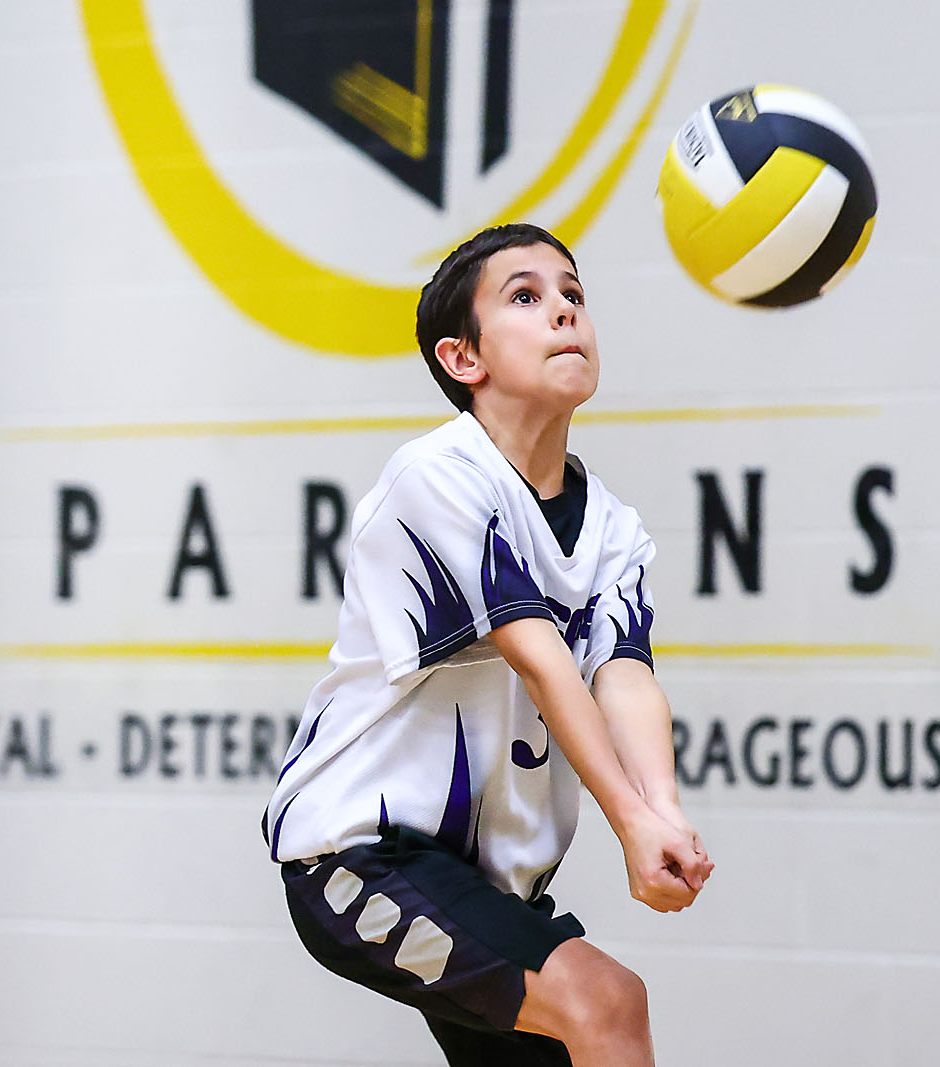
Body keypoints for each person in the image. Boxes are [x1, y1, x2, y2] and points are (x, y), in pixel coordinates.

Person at [263, 223, 713, 1066]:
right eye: (527, 296)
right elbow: (539, 654)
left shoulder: (613, 526)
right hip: (359, 854)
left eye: (574, 294)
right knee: (609, 1002)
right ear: (463, 359)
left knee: (590, 1025)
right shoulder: (436, 477)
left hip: (483, 884)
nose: (565, 313)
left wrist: (664, 813)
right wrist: (628, 825)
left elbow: (624, 677)